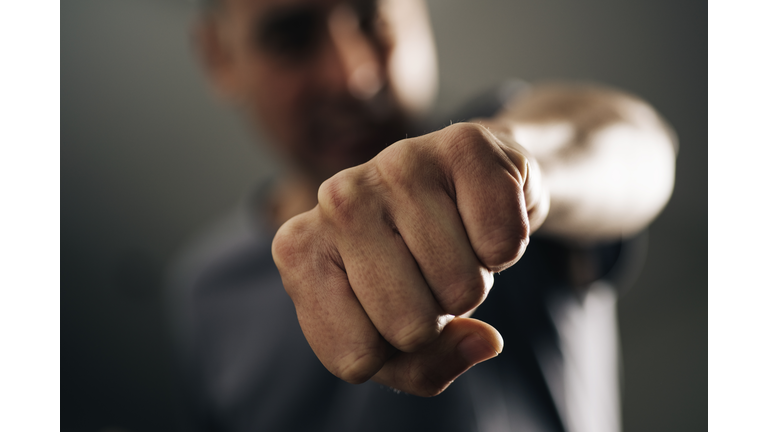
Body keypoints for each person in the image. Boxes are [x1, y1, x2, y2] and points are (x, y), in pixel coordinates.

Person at [168, 0, 677, 430]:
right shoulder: (205, 290)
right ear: (219, 58)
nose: (354, 76)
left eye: (373, 19)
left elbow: (635, 149)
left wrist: (518, 164)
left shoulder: (496, 156)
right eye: (292, 38)